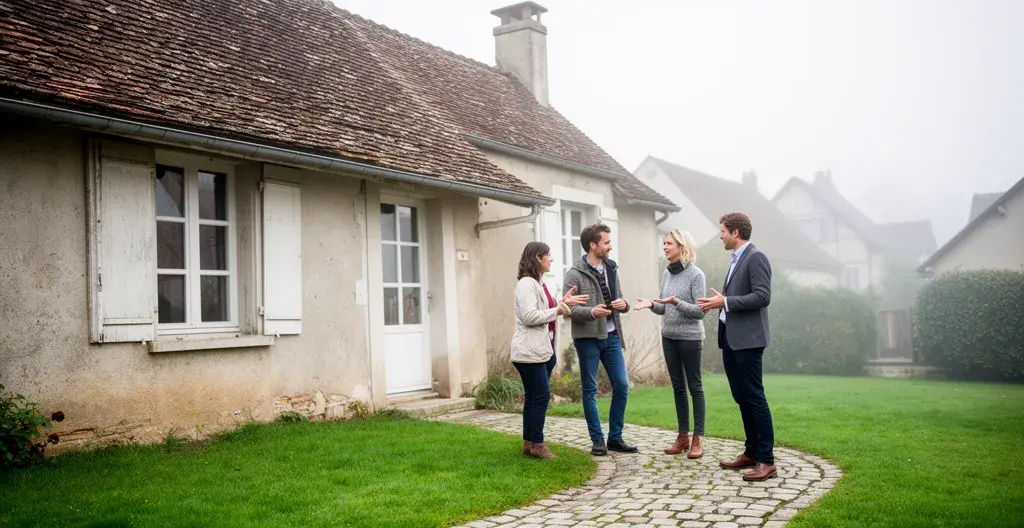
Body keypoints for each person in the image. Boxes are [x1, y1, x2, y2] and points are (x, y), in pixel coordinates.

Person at [696, 212, 777, 481]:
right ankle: (751, 453)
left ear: (736, 232)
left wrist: (726, 302)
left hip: (748, 341)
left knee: (754, 397)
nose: (720, 236)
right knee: (742, 397)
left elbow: (762, 296)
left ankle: (766, 460)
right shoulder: (737, 258)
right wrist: (720, 302)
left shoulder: (756, 257)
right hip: (731, 339)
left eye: (723, 231)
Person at [563, 224, 638, 456]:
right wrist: (592, 312)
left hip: (612, 336)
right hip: (588, 339)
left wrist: (624, 305)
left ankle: (615, 437)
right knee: (590, 390)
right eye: (606, 242)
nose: (610, 246)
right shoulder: (574, 274)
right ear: (593, 245)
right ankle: (597, 440)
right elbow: (567, 309)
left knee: (622, 386)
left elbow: (620, 298)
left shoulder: (611, 268)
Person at [512, 241, 589, 459]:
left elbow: (544, 309)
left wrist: (562, 302)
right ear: (537, 258)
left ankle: (528, 443)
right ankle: (538, 445)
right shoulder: (526, 284)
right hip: (529, 353)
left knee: (533, 397)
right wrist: (557, 310)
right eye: (548, 255)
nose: (551, 259)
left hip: (540, 351)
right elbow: (529, 316)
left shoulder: (538, 283)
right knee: (541, 396)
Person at [634, 229, 707, 459]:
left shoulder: (696, 275)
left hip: (690, 338)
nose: (664, 247)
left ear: (681, 246)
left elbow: (700, 312)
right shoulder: (667, 273)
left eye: (669, 243)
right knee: (677, 388)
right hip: (669, 337)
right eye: (664, 243)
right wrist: (651, 304)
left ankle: (698, 439)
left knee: (695, 387)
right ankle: (682, 436)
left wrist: (677, 302)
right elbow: (664, 307)